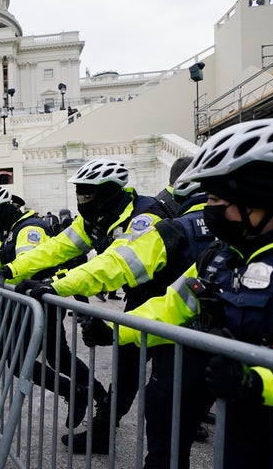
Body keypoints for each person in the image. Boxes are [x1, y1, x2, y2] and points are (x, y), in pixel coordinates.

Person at [84, 118, 273, 468]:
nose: (208, 207)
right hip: (243, 437)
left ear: (261, 197)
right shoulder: (221, 257)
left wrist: (257, 384)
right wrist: (114, 329)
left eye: (216, 197)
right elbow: (172, 307)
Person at [0, 159, 170, 447]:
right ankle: (103, 432)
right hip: (143, 297)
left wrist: (55, 285)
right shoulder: (96, 219)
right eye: (78, 195)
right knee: (127, 371)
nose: (81, 202)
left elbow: (113, 266)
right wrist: (9, 271)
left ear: (110, 193)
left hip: (174, 299)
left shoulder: (145, 218)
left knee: (166, 386)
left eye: (87, 195)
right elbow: (55, 249)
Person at [40, 178, 214, 454]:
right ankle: (105, 431)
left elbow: (120, 263)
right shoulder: (220, 242)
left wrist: (58, 284)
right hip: (154, 306)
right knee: (141, 381)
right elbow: (180, 299)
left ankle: (114, 430)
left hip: (155, 304)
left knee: (157, 390)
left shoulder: (157, 222)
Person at [0, 187, 106, 427]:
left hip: (40, 302)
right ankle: (95, 394)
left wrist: (3, 278)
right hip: (33, 303)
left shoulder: (30, 229)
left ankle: (79, 392)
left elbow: (27, 265)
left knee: (21, 358)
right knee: (55, 357)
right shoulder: (14, 230)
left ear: (5, 210)